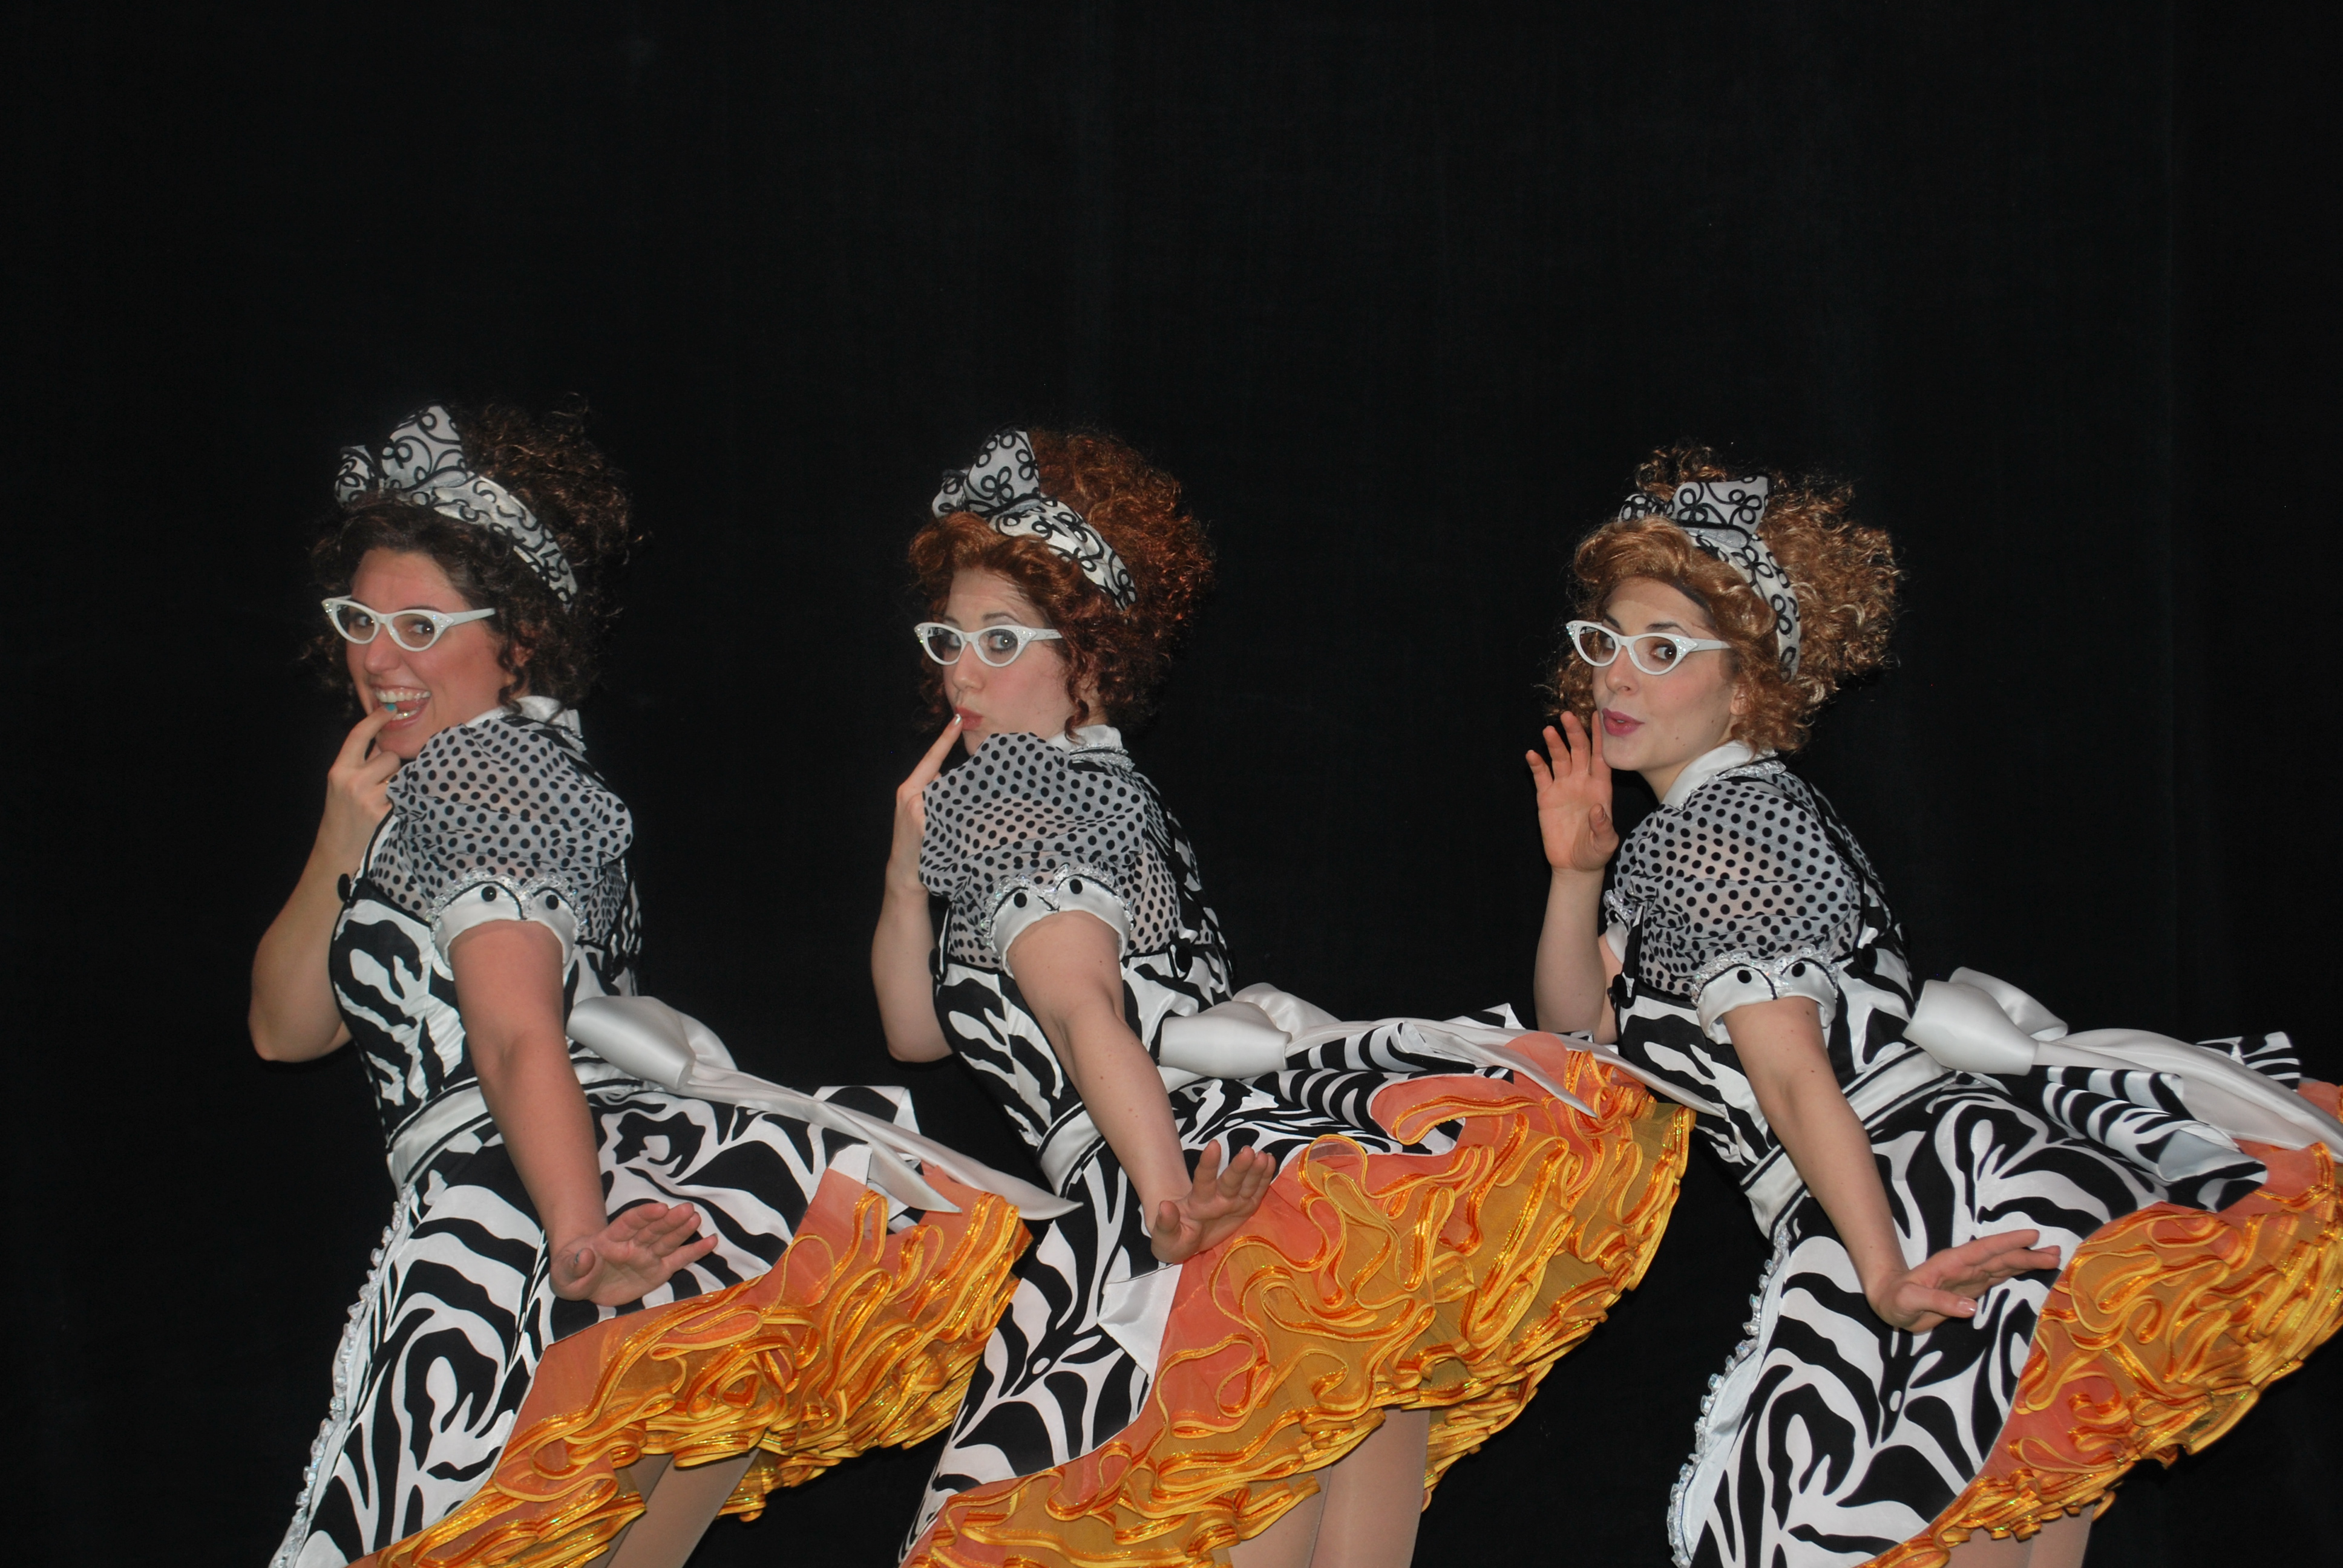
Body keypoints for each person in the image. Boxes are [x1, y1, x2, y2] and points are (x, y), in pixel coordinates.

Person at [876, 428, 1692, 1567]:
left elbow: (1079, 1017)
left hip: (1160, 1178)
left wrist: (1169, 1207)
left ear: (1094, 659)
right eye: (949, 637)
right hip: (1249, 1163)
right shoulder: (1104, 791)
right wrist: (908, 877)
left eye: (1000, 639)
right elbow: (920, 1033)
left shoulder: (1016, 782)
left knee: (1233, 1472)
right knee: (1355, 1396)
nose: (961, 669)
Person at [1528, 445, 2343, 1567]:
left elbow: (1789, 1071)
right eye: (1606, 643)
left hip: (1908, 1197)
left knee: (1872, 1517)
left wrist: (1880, 1272)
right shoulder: (1703, 831)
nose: (1616, 676)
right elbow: (1585, 1032)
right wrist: (1577, 876)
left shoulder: (1716, 831)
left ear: (1748, 683)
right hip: (1957, 1175)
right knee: (2002, 1507)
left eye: (1662, 650)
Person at [252, 405, 1028, 1568]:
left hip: (514, 1209)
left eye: (420, 624)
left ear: (516, 639)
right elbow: (283, 1030)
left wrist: (574, 1241)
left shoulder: (488, 770)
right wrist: (334, 842)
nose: (378, 656)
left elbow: (518, 1041)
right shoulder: (448, 788)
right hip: (529, 1196)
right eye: (361, 620)